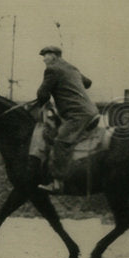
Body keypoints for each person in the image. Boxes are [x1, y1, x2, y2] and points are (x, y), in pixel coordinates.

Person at [33, 46, 98, 193]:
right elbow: (88, 83)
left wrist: (46, 96)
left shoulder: (52, 69)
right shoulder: (72, 68)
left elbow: (42, 94)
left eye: (46, 56)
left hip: (78, 116)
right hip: (92, 112)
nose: (44, 59)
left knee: (60, 142)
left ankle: (57, 183)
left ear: (54, 56)